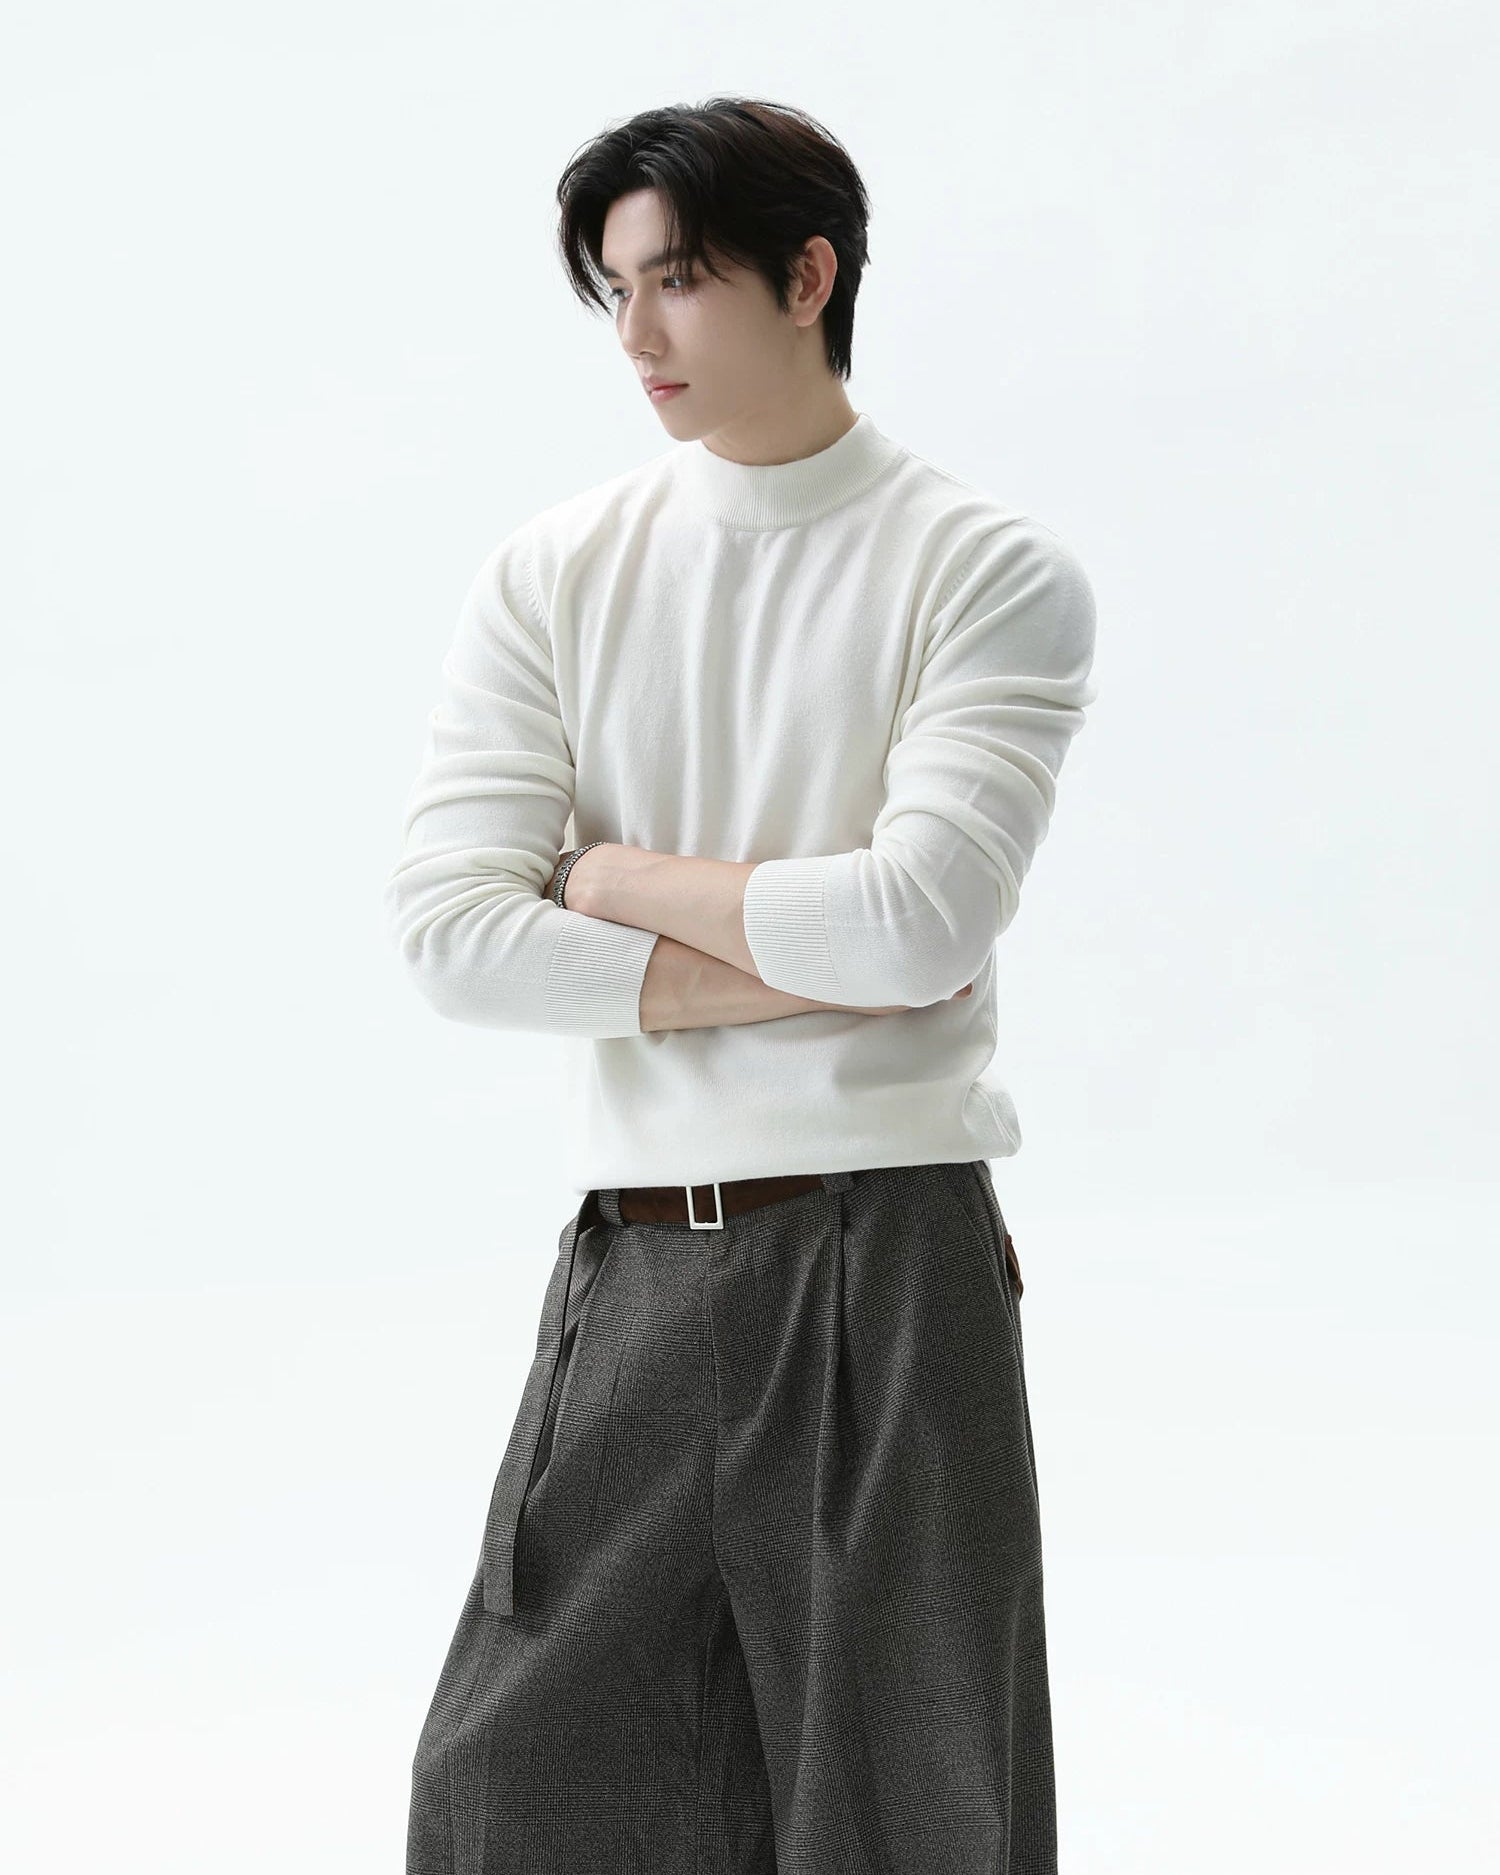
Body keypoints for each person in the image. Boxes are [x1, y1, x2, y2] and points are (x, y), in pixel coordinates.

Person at [384, 92, 1099, 1875]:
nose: (637, 333)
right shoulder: (556, 573)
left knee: (910, 1810)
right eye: (614, 289)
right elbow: (454, 936)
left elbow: (922, 923)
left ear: (809, 276)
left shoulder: (981, 568)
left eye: (680, 280)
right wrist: (809, 968)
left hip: (885, 1254)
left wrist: (617, 882)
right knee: (509, 1796)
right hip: (630, 1261)